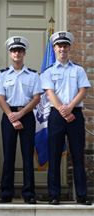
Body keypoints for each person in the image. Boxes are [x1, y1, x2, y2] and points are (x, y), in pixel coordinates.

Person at [41, 31, 92, 205]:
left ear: (69, 48)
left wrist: (70, 108)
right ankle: (54, 195)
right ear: (54, 48)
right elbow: (49, 93)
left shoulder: (78, 70)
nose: (62, 49)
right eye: (59, 46)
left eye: (65, 46)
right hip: (56, 115)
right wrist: (63, 110)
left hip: (75, 114)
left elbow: (83, 91)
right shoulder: (48, 71)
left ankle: (82, 195)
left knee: (78, 155)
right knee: (54, 155)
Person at [0, 36, 43, 204]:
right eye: (14, 50)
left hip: (27, 116)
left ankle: (29, 193)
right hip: (9, 115)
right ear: (10, 53)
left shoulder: (33, 75)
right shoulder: (2, 75)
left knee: (27, 156)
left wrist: (20, 115)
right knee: (8, 156)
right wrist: (11, 116)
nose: (17, 53)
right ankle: (6, 192)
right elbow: (1, 98)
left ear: (24, 53)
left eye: (20, 50)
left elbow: (36, 98)